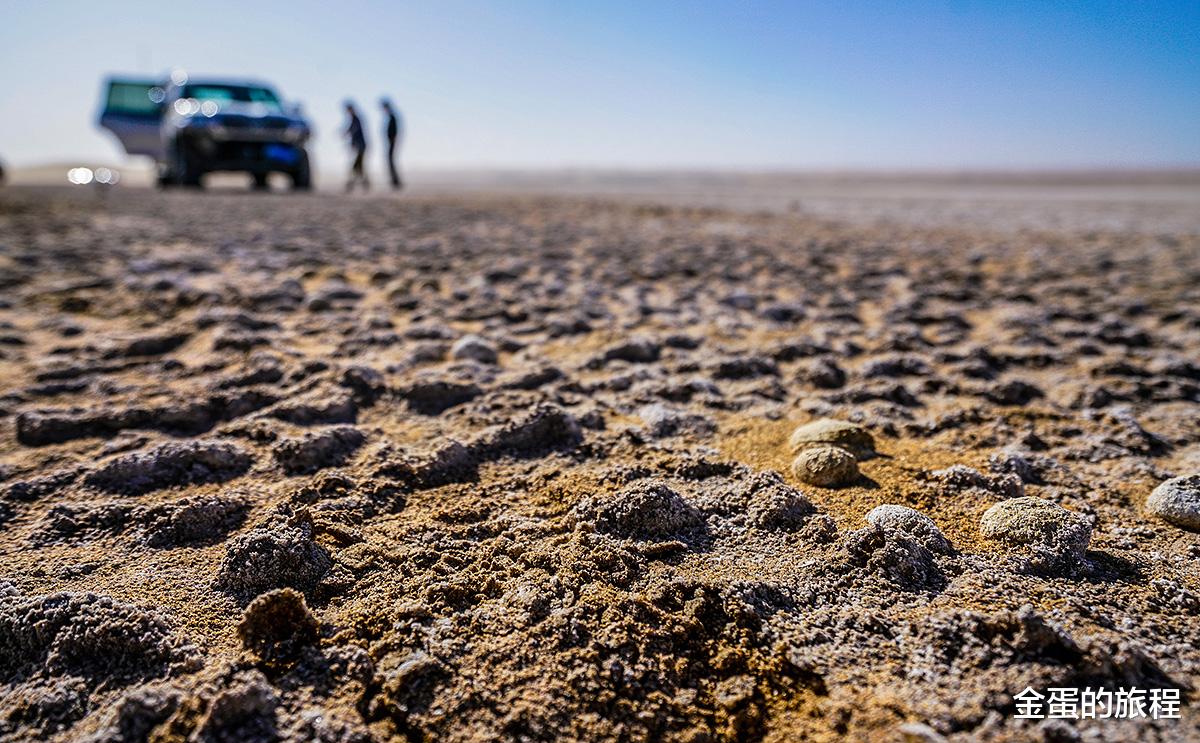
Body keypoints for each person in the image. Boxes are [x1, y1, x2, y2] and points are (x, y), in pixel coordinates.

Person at [343, 101, 369, 192]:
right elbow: (351, 130)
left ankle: (352, 184)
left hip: (361, 146)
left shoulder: (356, 119)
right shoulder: (354, 119)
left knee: (356, 166)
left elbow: (354, 130)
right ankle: (364, 183)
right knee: (359, 166)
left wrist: (346, 133)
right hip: (359, 146)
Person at [380, 98, 403, 190]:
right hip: (390, 142)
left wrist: (393, 140)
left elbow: (395, 131)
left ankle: (395, 181)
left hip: (392, 142)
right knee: (390, 161)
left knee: (390, 160)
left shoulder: (392, 117)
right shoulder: (390, 116)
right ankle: (394, 181)